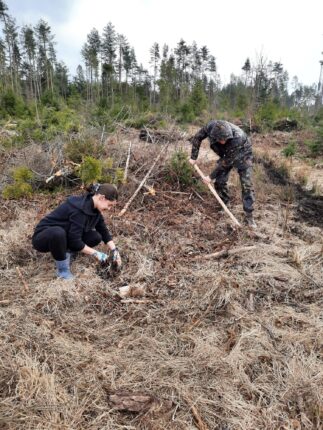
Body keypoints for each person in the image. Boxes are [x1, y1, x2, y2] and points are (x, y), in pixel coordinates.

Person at [32, 183, 122, 280]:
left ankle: (67, 253)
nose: (109, 208)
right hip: (43, 237)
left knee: (96, 237)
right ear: (102, 198)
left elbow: (103, 230)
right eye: (109, 205)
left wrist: (114, 250)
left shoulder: (95, 208)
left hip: (65, 236)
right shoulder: (79, 209)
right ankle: (62, 271)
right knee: (58, 232)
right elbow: (75, 241)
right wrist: (97, 254)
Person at [189, 120, 256, 228]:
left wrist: (210, 177)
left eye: (225, 139)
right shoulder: (210, 127)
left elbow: (226, 162)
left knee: (246, 184)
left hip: (243, 153)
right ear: (214, 136)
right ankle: (225, 204)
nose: (223, 141)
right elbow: (197, 137)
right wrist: (193, 157)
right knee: (219, 182)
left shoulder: (237, 138)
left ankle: (249, 216)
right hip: (227, 154)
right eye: (221, 139)